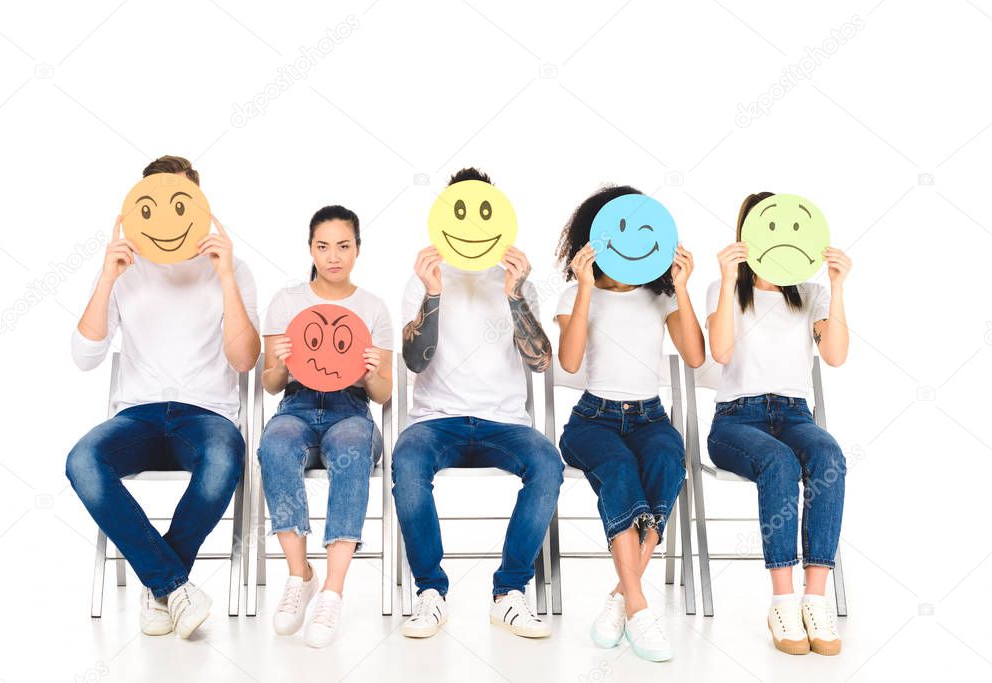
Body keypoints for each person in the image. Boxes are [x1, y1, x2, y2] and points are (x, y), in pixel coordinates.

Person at [66, 155, 260, 638]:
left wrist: (227, 276)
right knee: (82, 460)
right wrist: (107, 274)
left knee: (223, 461)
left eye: (181, 205)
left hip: (207, 414)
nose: (169, 219)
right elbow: (84, 356)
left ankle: (162, 588)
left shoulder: (233, 269)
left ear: (199, 207)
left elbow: (245, 361)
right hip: (138, 415)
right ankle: (174, 586)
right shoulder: (125, 269)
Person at [393, 167, 564, 639]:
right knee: (407, 462)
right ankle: (431, 592)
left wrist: (515, 296)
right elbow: (413, 359)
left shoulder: (513, 280)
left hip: (504, 423)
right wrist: (431, 293)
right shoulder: (425, 278)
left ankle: (509, 594)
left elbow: (541, 362)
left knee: (548, 464)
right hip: (435, 420)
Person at [554, 185, 705, 662]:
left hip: (649, 416)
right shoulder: (575, 292)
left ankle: (622, 594)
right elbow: (571, 361)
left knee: (666, 461)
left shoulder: (660, 296)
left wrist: (681, 288)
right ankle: (641, 607)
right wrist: (583, 287)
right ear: (592, 236)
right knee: (619, 469)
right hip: (592, 420)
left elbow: (697, 356)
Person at [705, 191, 851, 656]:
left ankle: (815, 598)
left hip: (793, 414)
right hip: (735, 419)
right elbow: (721, 353)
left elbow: (836, 356)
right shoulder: (723, 287)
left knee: (828, 454)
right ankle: (782, 601)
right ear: (747, 235)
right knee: (781, 462)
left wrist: (839, 286)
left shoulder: (811, 294)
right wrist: (728, 278)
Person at [257, 205, 392, 648]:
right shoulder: (287, 301)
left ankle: (333, 590)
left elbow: (384, 394)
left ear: (358, 249)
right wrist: (277, 361)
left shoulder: (373, 308)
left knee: (353, 449)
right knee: (274, 447)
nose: (333, 256)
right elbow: (271, 384)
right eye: (323, 246)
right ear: (310, 249)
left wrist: (372, 371)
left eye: (343, 246)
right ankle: (300, 577)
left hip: (350, 408)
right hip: (295, 405)